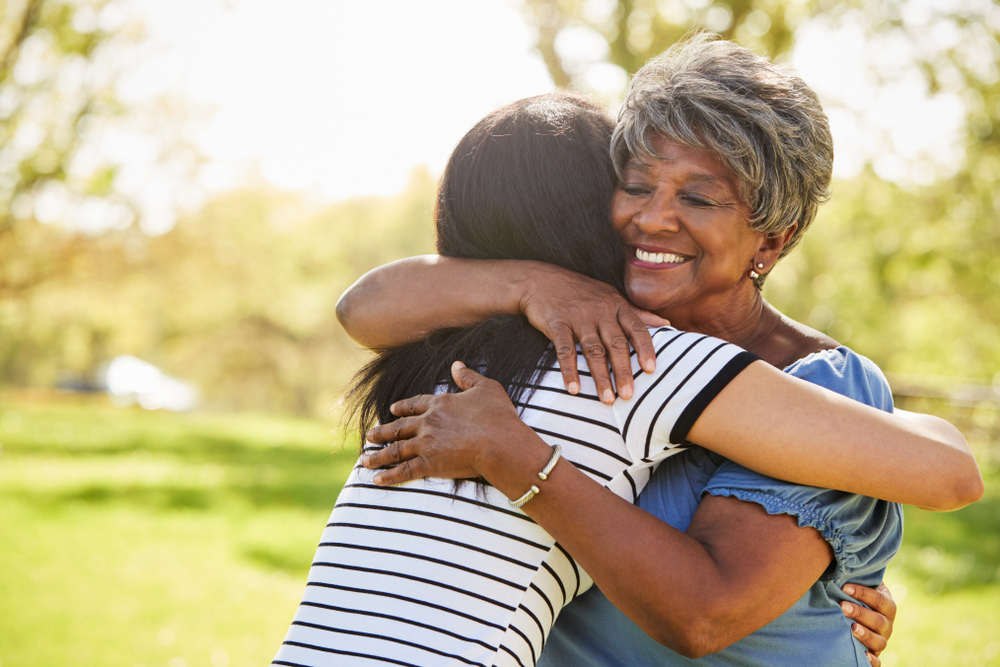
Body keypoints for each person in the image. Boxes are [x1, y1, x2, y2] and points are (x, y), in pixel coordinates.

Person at [342, 35, 983, 667]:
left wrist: (522, 464)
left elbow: (706, 615)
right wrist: (536, 283)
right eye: (636, 185)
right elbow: (362, 307)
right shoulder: (573, 338)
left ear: (773, 239)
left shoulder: (811, 380)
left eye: (698, 198)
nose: (653, 219)